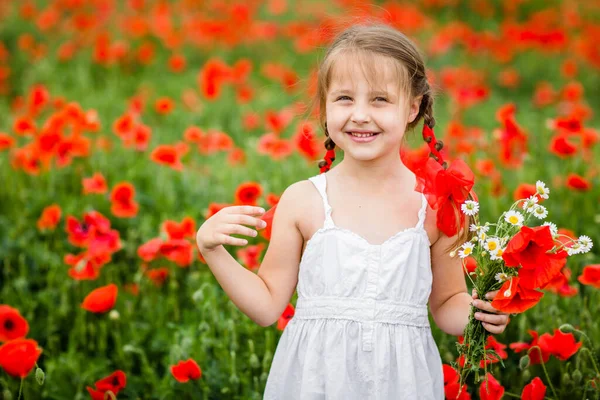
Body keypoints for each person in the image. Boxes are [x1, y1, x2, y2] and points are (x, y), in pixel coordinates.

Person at [196, 22, 510, 399]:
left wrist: (481, 312)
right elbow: (266, 305)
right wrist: (211, 250)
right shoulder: (304, 201)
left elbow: (446, 306)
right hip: (315, 382)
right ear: (325, 105)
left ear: (413, 107)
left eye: (379, 99)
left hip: (401, 383)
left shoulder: (433, 205)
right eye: (344, 98)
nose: (360, 114)